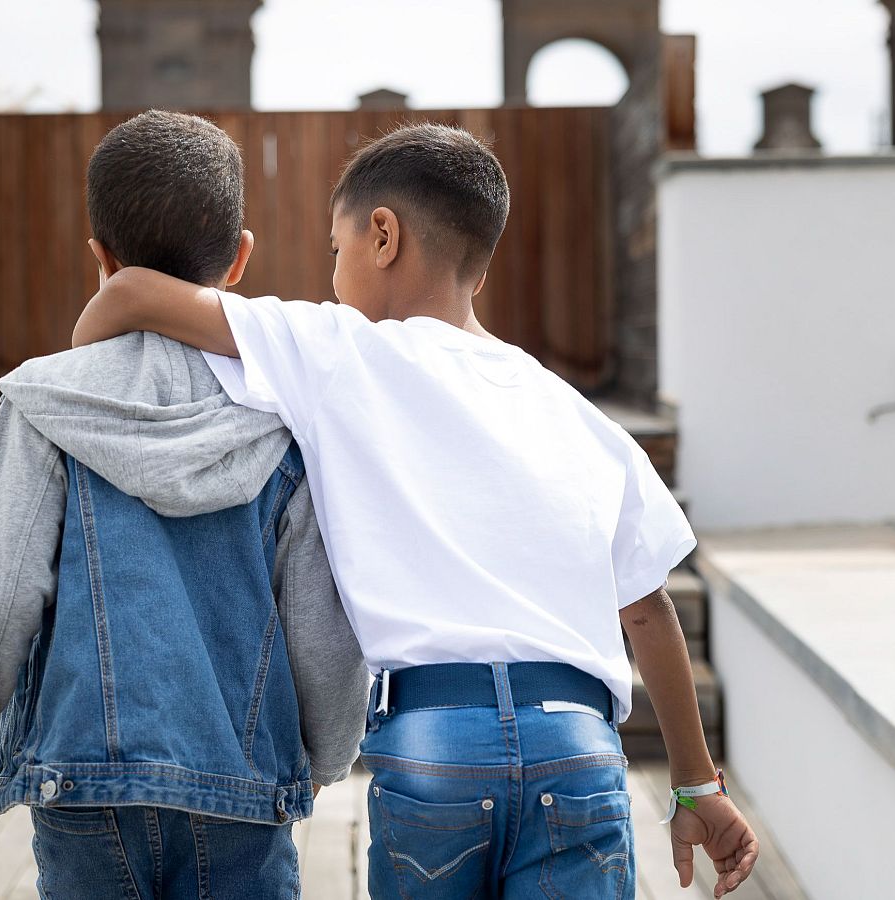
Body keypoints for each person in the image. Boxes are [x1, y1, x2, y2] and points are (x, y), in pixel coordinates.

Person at [69, 123, 760, 899]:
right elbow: (649, 612)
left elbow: (128, 294)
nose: (332, 276)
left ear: (383, 236)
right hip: (579, 742)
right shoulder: (576, 415)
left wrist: (86, 379)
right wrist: (698, 788)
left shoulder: (337, 349)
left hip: (437, 741)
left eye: (337, 250)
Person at [0, 110, 368, 900]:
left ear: (100, 257)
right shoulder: (282, 417)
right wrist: (327, 755)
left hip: (84, 786)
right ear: (239, 260)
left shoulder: (46, 402)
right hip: (243, 786)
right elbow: (322, 622)